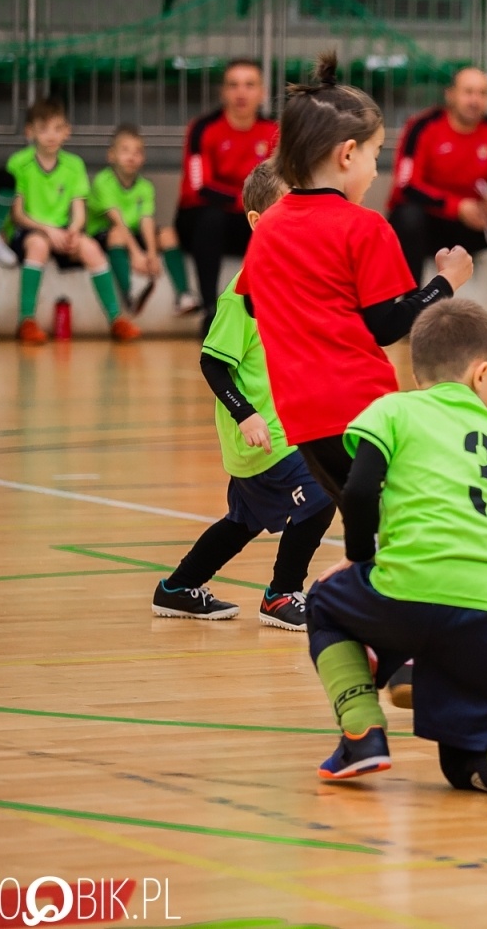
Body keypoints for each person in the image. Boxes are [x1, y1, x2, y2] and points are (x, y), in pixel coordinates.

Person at [305, 298, 487, 819]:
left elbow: (358, 491)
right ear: (481, 374)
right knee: (464, 763)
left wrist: (356, 558)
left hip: (409, 587)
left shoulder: (393, 409)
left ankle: (362, 731)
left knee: (325, 603)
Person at [240, 51, 473, 501]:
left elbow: (254, 302)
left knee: (364, 523)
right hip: (362, 409)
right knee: (416, 512)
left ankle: (356, 570)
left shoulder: (268, 226)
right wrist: (445, 282)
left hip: (301, 417)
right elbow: (386, 326)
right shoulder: (364, 226)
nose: (376, 168)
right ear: (348, 154)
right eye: (376, 154)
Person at [150, 161, 335, 631]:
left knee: (243, 521)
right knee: (320, 496)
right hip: (262, 435)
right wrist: (247, 415)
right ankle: (281, 595)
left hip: (288, 429)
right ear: (257, 221)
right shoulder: (240, 296)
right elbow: (213, 362)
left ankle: (177, 589)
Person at [386, 66, 487, 339]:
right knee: (407, 216)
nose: (475, 100)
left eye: (483, 93)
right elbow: (407, 186)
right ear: (450, 95)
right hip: (431, 226)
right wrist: (457, 207)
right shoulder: (423, 126)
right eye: (469, 92)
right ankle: (412, 311)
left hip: (476, 223)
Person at [6, 97, 140, 344]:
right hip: (31, 231)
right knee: (39, 245)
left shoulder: (74, 165)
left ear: (67, 131)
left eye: (57, 128)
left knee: (91, 248)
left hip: (63, 232)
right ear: (30, 131)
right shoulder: (19, 163)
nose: (51, 135)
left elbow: (79, 210)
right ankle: (26, 321)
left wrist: (74, 230)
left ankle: (116, 319)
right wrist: (47, 230)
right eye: (43, 129)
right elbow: (18, 214)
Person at [175, 59, 278, 329]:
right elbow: (200, 187)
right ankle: (210, 311)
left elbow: (282, 182)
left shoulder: (274, 132)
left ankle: (269, 314)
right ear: (223, 93)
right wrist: (244, 201)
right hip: (202, 218)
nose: (241, 93)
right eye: (233, 85)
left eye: (249, 85)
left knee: (276, 223)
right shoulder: (203, 128)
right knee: (211, 218)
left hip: (250, 217)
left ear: (262, 92)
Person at [87, 124, 188, 315]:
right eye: (125, 150)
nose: (131, 156)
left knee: (168, 233)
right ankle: (131, 293)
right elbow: (117, 222)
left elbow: (146, 220)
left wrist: (150, 254)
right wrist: (135, 254)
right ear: (111, 155)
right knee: (117, 233)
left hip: (132, 233)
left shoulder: (145, 187)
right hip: (106, 235)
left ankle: (184, 296)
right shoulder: (103, 181)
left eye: (138, 152)